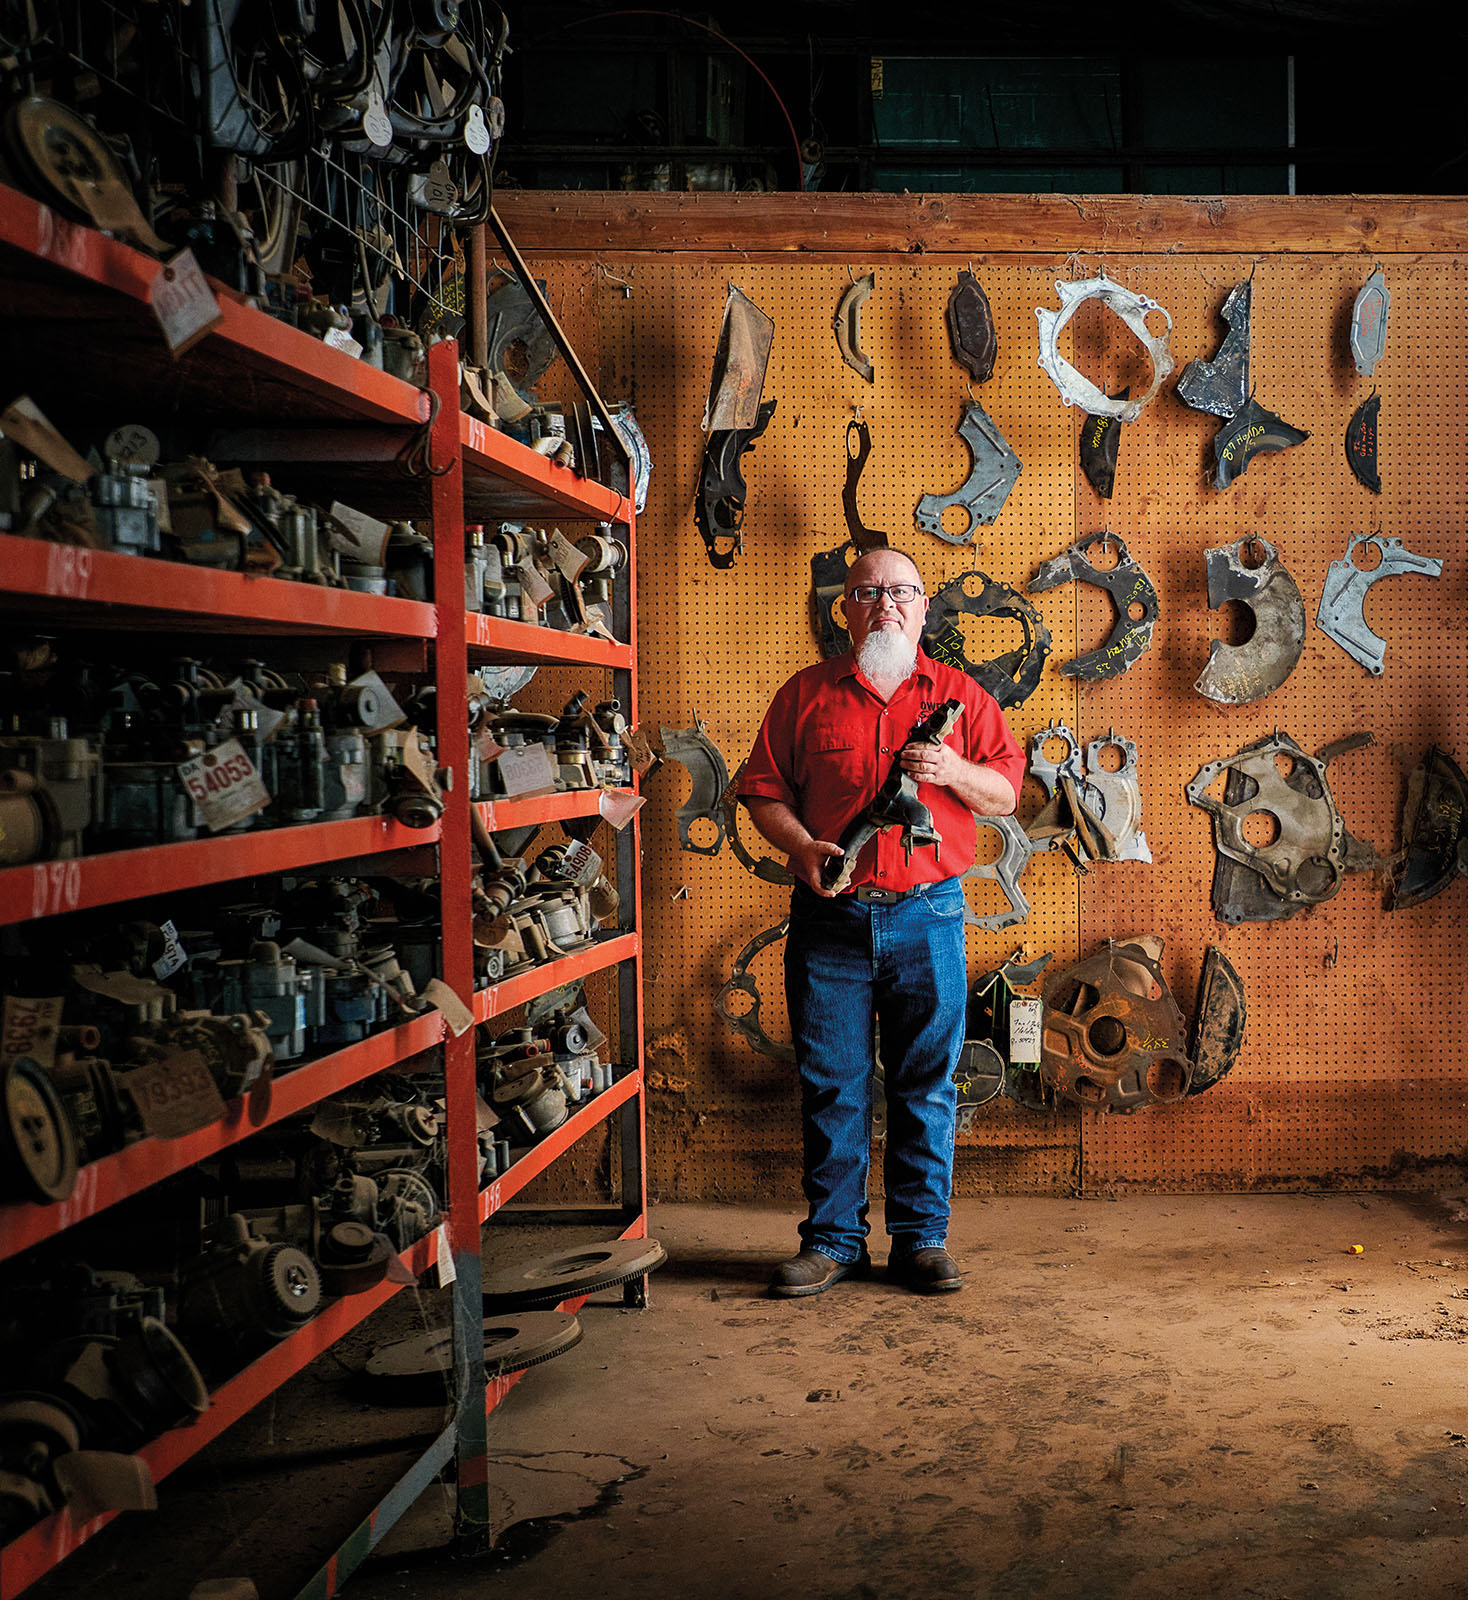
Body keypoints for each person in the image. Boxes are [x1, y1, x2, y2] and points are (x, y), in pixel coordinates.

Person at [738, 547, 1025, 1297]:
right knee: (833, 1084)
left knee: (925, 1085)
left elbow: (1003, 796)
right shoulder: (805, 695)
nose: (886, 603)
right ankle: (833, 1243)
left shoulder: (964, 697)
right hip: (829, 920)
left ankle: (919, 1242)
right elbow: (763, 791)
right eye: (868, 592)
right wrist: (801, 848)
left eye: (901, 591)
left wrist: (951, 772)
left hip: (929, 917)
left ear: (924, 607)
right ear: (847, 609)